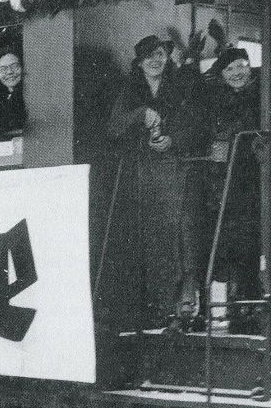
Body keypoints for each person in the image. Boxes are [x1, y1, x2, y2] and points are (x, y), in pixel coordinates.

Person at [108, 35, 207, 330]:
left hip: (178, 168)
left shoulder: (179, 84)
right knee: (154, 237)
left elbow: (197, 124)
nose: (155, 61)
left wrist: (173, 139)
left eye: (160, 54)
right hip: (144, 173)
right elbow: (113, 127)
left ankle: (187, 301)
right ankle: (163, 306)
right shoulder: (131, 89)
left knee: (183, 230)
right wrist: (141, 114)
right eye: (149, 56)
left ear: (167, 57)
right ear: (139, 62)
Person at [202, 48, 262, 333]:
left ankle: (251, 305)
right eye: (230, 69)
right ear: (222, 75)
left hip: (256, 178)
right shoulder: (216, 100)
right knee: (233, 243)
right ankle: (240, 306)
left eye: (242, 65)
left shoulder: (261, 93)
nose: (238, 72)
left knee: (252, 241)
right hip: (228, 181)